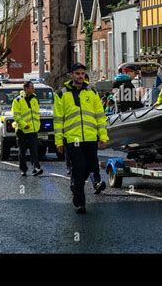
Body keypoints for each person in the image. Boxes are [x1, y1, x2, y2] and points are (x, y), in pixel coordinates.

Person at [54, 62, 109, 214]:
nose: (80, 76)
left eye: (82, 74)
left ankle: (75, 186)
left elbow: (100, 116)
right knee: (78, 168)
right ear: (71, 75)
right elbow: (58, 120)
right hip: (73, 138)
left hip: (91, 137)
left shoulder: (92, 92)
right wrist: (59, 141)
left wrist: (103, 136)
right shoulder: (61, 94)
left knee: (90, 167)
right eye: (77, 73)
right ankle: (80, 202)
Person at [12, 81, 43, 177]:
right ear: (26, 88)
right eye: (31, 87)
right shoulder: (17, 100)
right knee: (22, 150)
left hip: (33, 130)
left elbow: (36, 114)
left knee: (34, 150)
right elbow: (16, 116)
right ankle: (23, 169)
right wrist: (24, 125)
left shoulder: (35, 99)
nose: (33, 89)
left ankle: (36, 168)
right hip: (22, 130)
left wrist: (37, 125)